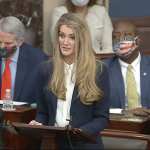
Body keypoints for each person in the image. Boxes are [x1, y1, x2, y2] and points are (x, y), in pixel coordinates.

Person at [29, 13, 110, 149]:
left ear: (82, 40)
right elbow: (43, 113)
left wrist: (79, 133)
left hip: (85, 144)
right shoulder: (45, 69)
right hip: (53, 144)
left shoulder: (99, 70)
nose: (65, 42)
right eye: (62, 36)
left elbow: (102, 118)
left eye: (72, 37)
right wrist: (38, 123)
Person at [104, 20, 150, 117]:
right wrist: (123, 112)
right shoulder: (102, 70)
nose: (120, 40)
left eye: (126, 35)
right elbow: (94, 109)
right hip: (118, 127)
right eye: (115, 36)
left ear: (137, 40)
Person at [0, 16, 47, 104]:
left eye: (8, 43)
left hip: (24, 115)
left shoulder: (38, 60)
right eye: (0, 42)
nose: (2, 47)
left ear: (20, 41)